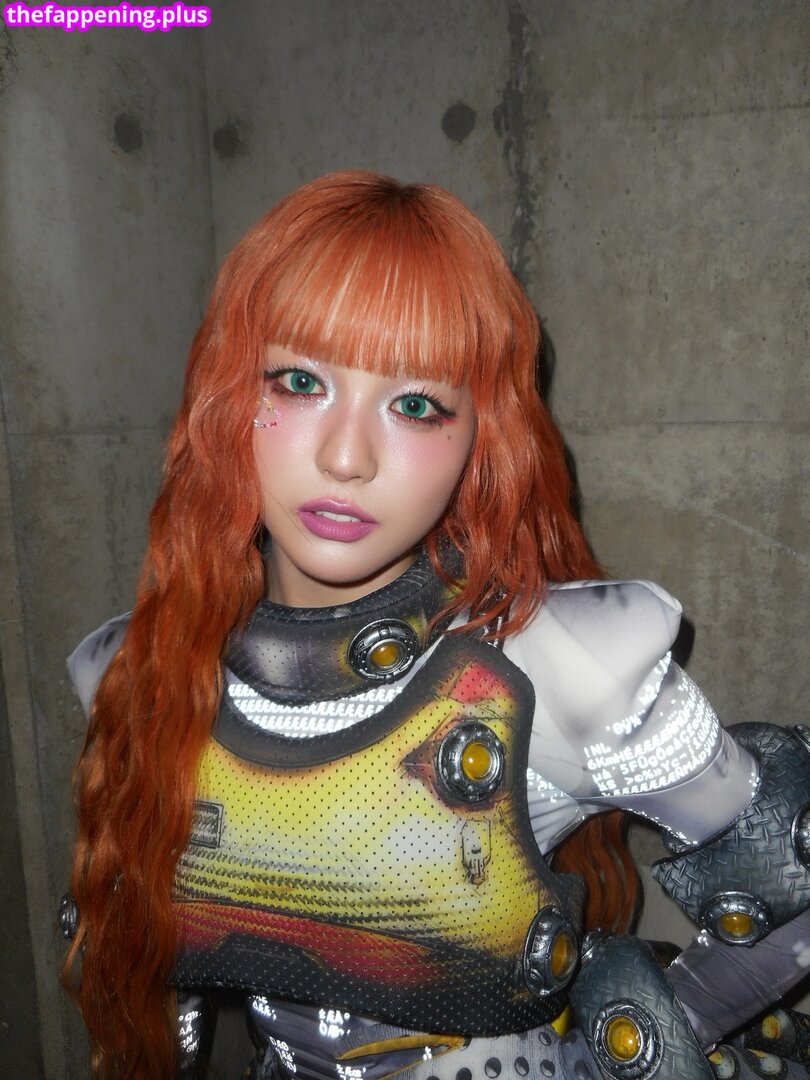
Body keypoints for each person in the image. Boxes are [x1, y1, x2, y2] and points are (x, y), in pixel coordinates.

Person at [62, 171, 810, 1080]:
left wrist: (644, 1039)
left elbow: (789, 869)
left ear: (481, 439)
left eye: (415, 405)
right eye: (299, 381)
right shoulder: (139, 673)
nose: (346, 457)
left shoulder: (564, 669)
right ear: (227, 399)